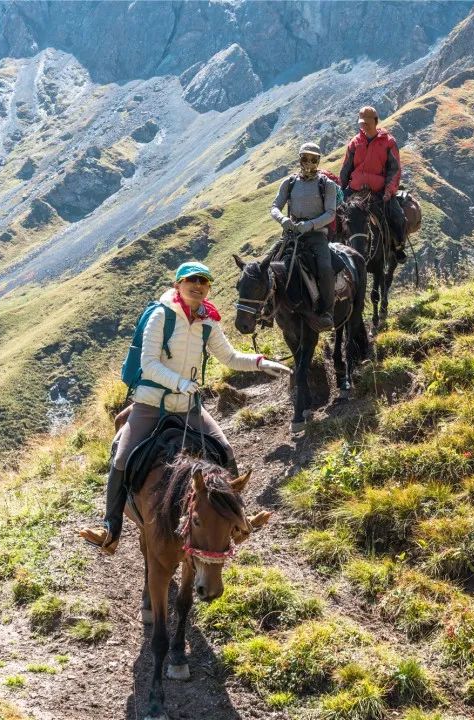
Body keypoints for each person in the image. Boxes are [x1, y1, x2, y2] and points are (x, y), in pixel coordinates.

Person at [79, 261, 290, 555]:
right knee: (122, 458)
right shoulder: (160, 316)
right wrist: (179, 382)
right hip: (151, 404)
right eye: (192, 280)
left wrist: (259, 362)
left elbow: (228, 357)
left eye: (204, 281)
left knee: (225, 449)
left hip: (189, 407)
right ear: (178, 284)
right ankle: (111, 530)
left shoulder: (208, 320)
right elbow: (148, 364)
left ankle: (240, 519)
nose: (198, 285)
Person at [270, 142, 338, 330]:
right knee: (267, 265)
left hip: (316, 235)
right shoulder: (289, 183)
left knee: (325, 268)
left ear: (318, 161)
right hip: (291, 234)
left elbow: (331, 213)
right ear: (299, 159)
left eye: (313, 159)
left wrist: (310, 225)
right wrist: (283, 220)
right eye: (305, 158)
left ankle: (327, 312)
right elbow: (275, 206)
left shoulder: (327, 185)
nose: (309, 162)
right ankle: (267, 311)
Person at [339, 105, 407, 261]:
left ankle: (398, 247)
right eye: (362, 123)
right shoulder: (355, 142)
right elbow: (346, 168)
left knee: (398, 217)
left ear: (376, 122)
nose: (364, 126)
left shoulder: (388, 142)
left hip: (379, 192)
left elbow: (394, 169)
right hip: (355, 189)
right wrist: (340, 190)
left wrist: (389, 191)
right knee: (335, 213)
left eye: (367, 123)